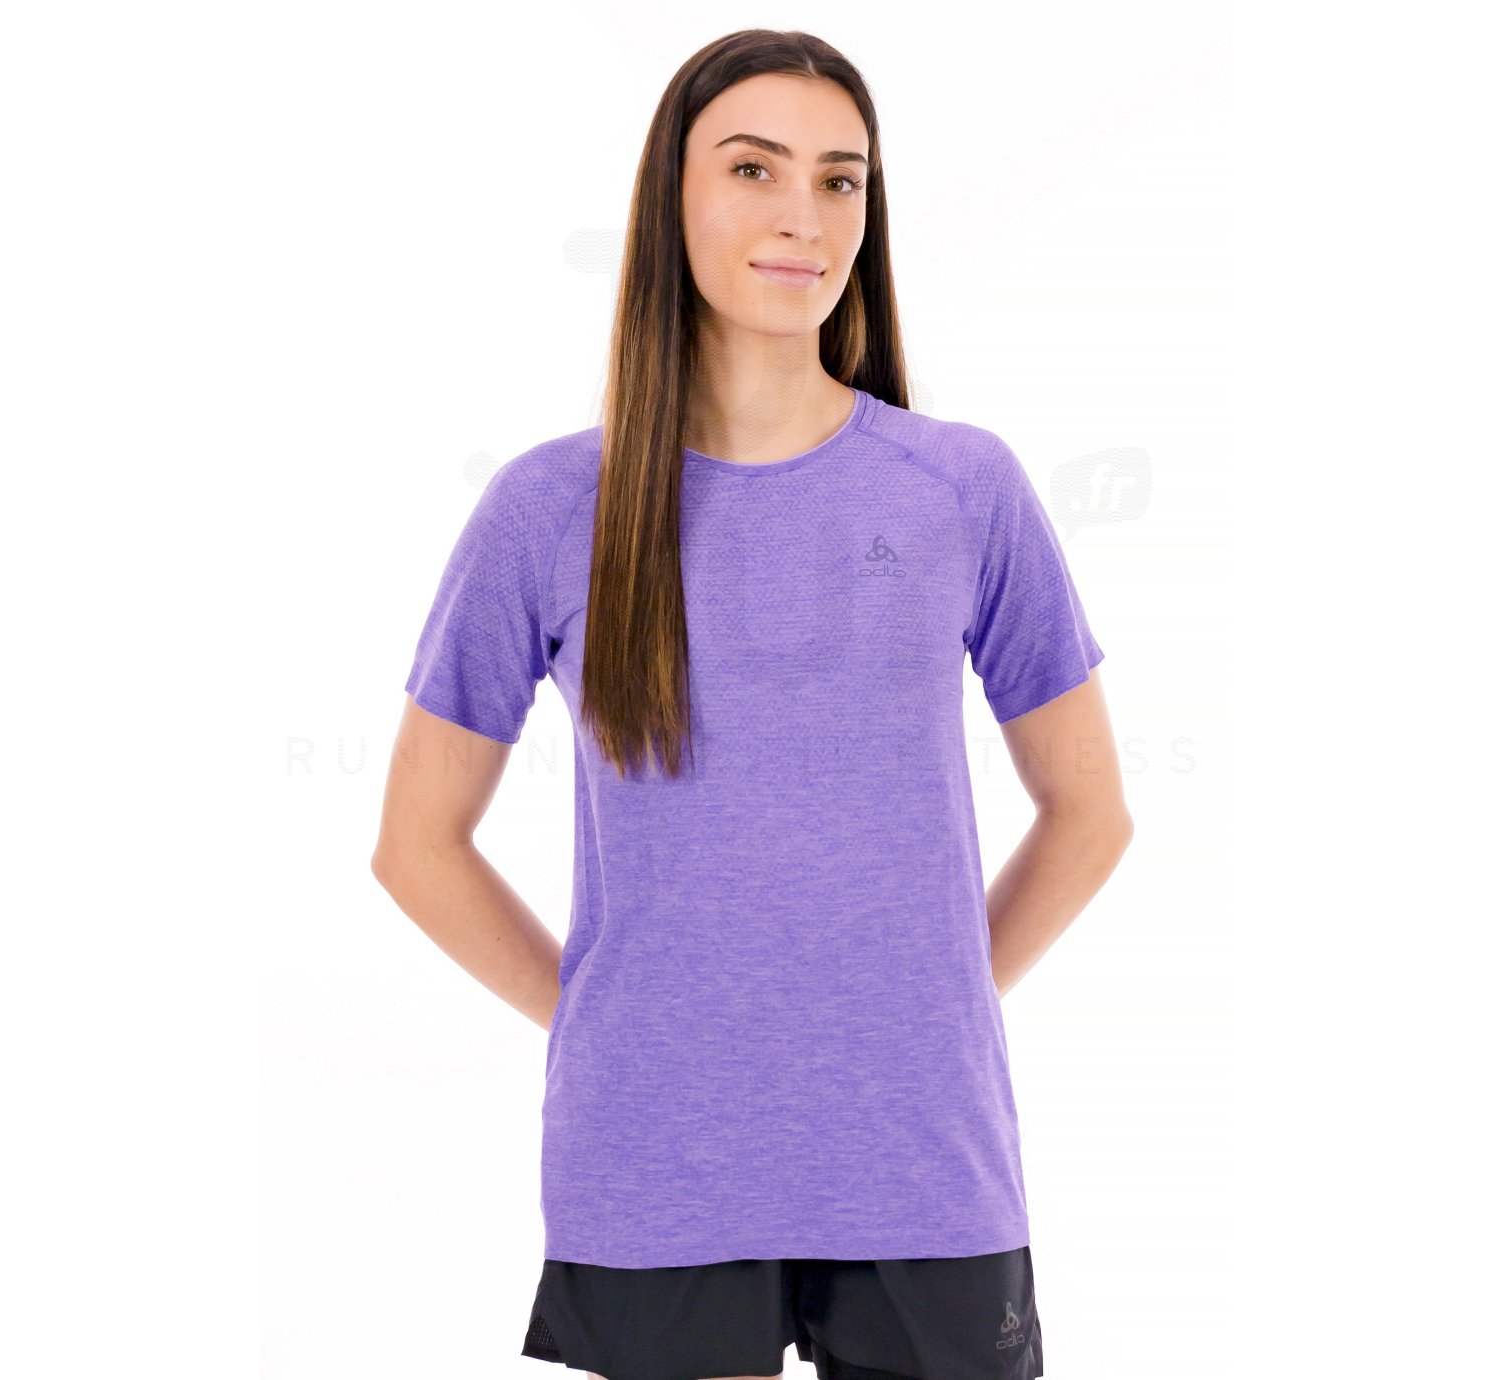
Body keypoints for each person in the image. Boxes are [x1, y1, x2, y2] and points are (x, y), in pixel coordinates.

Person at [370, 28, 1134, 1380]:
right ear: (671, 197)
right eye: (753, 168)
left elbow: (1089, 812)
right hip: (653, 1164)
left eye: (840, 180)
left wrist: (923, 1007)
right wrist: (612, 1021)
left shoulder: (960, 488)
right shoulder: (549, 509)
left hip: (921, 1159)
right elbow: (416, 844)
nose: (804, 215)